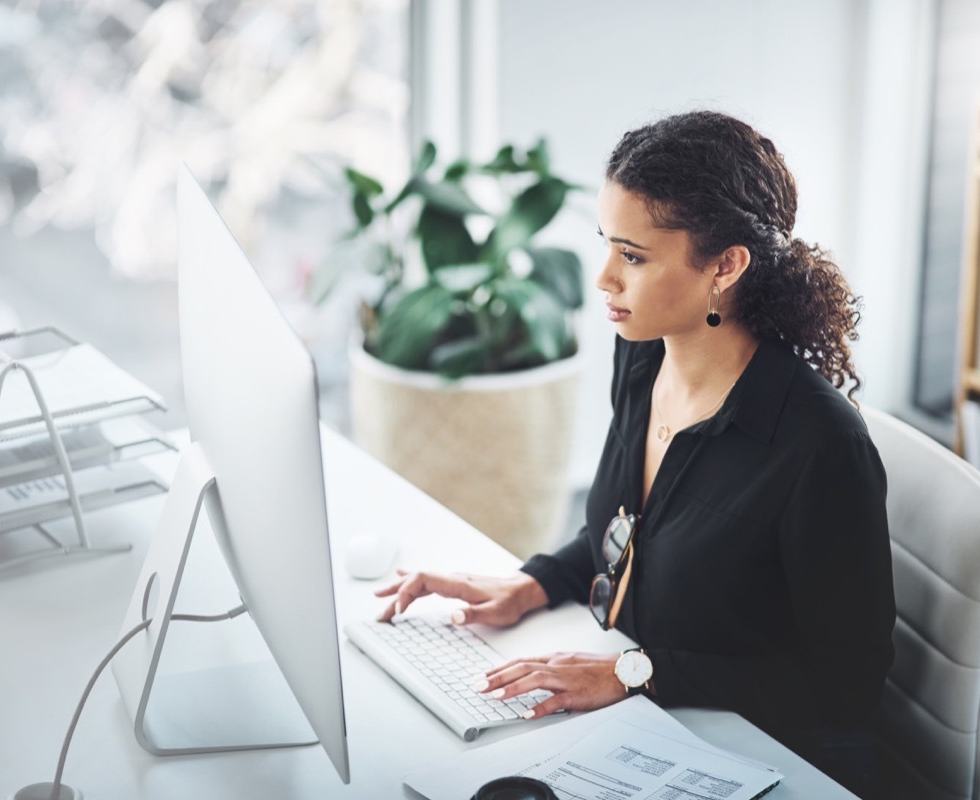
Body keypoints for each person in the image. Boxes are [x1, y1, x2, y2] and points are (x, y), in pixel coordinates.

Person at [375, 110, 895, 796]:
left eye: (634, 256)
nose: (604, 280)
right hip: (647, 725)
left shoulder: (818, 448)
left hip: (761, 758)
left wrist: (634, 674)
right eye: (608, 245)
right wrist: (535, 583)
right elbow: (632, 525)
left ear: (727, 266)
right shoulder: (644, 357)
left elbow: (844, 687)